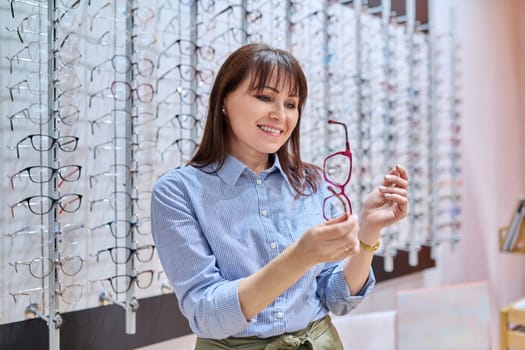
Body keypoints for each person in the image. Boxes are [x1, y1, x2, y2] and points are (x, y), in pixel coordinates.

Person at [151, 43, 409, 349]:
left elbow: (337, 298)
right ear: (224, 100)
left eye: (291, 104)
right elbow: (206, 313)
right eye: (264, 97)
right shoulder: (178, 192)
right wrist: (300, 257)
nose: (279, 115)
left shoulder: (310, 181)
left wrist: (369, 229)